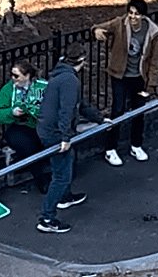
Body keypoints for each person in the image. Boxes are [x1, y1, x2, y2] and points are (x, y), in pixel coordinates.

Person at [36, 42, 109, 233]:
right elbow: (67, 111)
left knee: (65, 164)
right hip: (56, 133)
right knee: (61, 175)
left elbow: (80, 103)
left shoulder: (61, 75)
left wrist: (100, 119)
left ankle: (65, 196)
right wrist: (65, 137)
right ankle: (47, 217)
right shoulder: (70, 81)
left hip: (48, 129)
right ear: (82, 60)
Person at [92, 0, 158, 166]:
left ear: (143, 16)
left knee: (138, 111)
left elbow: (155, 59)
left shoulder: (152, 31)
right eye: (130, 13)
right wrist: (97, 32)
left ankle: (136, 145)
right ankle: (111, 148)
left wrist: (151, 83)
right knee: (118, 109)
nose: (133, 17)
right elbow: (98, 27)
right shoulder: (120, 24)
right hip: (120, 76)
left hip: (138, 77)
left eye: (137, 14)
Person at [0, 60, 52, 194]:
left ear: (27, 76)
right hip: (18, 126)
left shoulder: (42, 86)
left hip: (40, 124)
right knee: (27, 145)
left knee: (48, 138)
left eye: (16, 76)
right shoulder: (8, 89)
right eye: (12, 75)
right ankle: (41, 179)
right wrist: (12, 112)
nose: (13, 79)